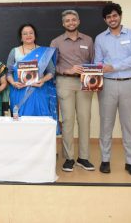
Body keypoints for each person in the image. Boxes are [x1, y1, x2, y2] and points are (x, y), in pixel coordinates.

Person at [95, 3, 131, 176]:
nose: (112, 19)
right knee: (106, 124)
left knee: (128, 124)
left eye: (114, 15)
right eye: (108, 17)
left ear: (120, 16)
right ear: (105, 20)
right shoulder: (100, 38)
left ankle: (130, 162)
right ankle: (105, 160)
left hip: (129, 84)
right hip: (107, 85)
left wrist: (113, 66)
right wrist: (98, 69)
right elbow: (98, 63)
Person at [51, 10, 95, 172]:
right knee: (68, 121)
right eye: (67, 21)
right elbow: (51, 66)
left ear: (78, 21)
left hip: (85, 84)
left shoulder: (89, 40)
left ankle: (83, 158)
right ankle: (69, 158)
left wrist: (92, 75)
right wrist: (66, 70)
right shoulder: (56, 42)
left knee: (84, 119)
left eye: (73, 20)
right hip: (65, 82)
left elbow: (94, 61)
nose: (71, 22)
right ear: (63, 24)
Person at [6, 24, 58, 123]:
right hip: (19, 91)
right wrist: (13, 83)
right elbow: (8, 73)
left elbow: (51, 72)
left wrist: (42, 80)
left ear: (35, 35)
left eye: (31, 33)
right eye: (25, 33)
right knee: (21, 121)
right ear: (21, 37)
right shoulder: (15, 51)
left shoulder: (44, 52)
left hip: (38, 91)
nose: (28, 35)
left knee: (40, 122)